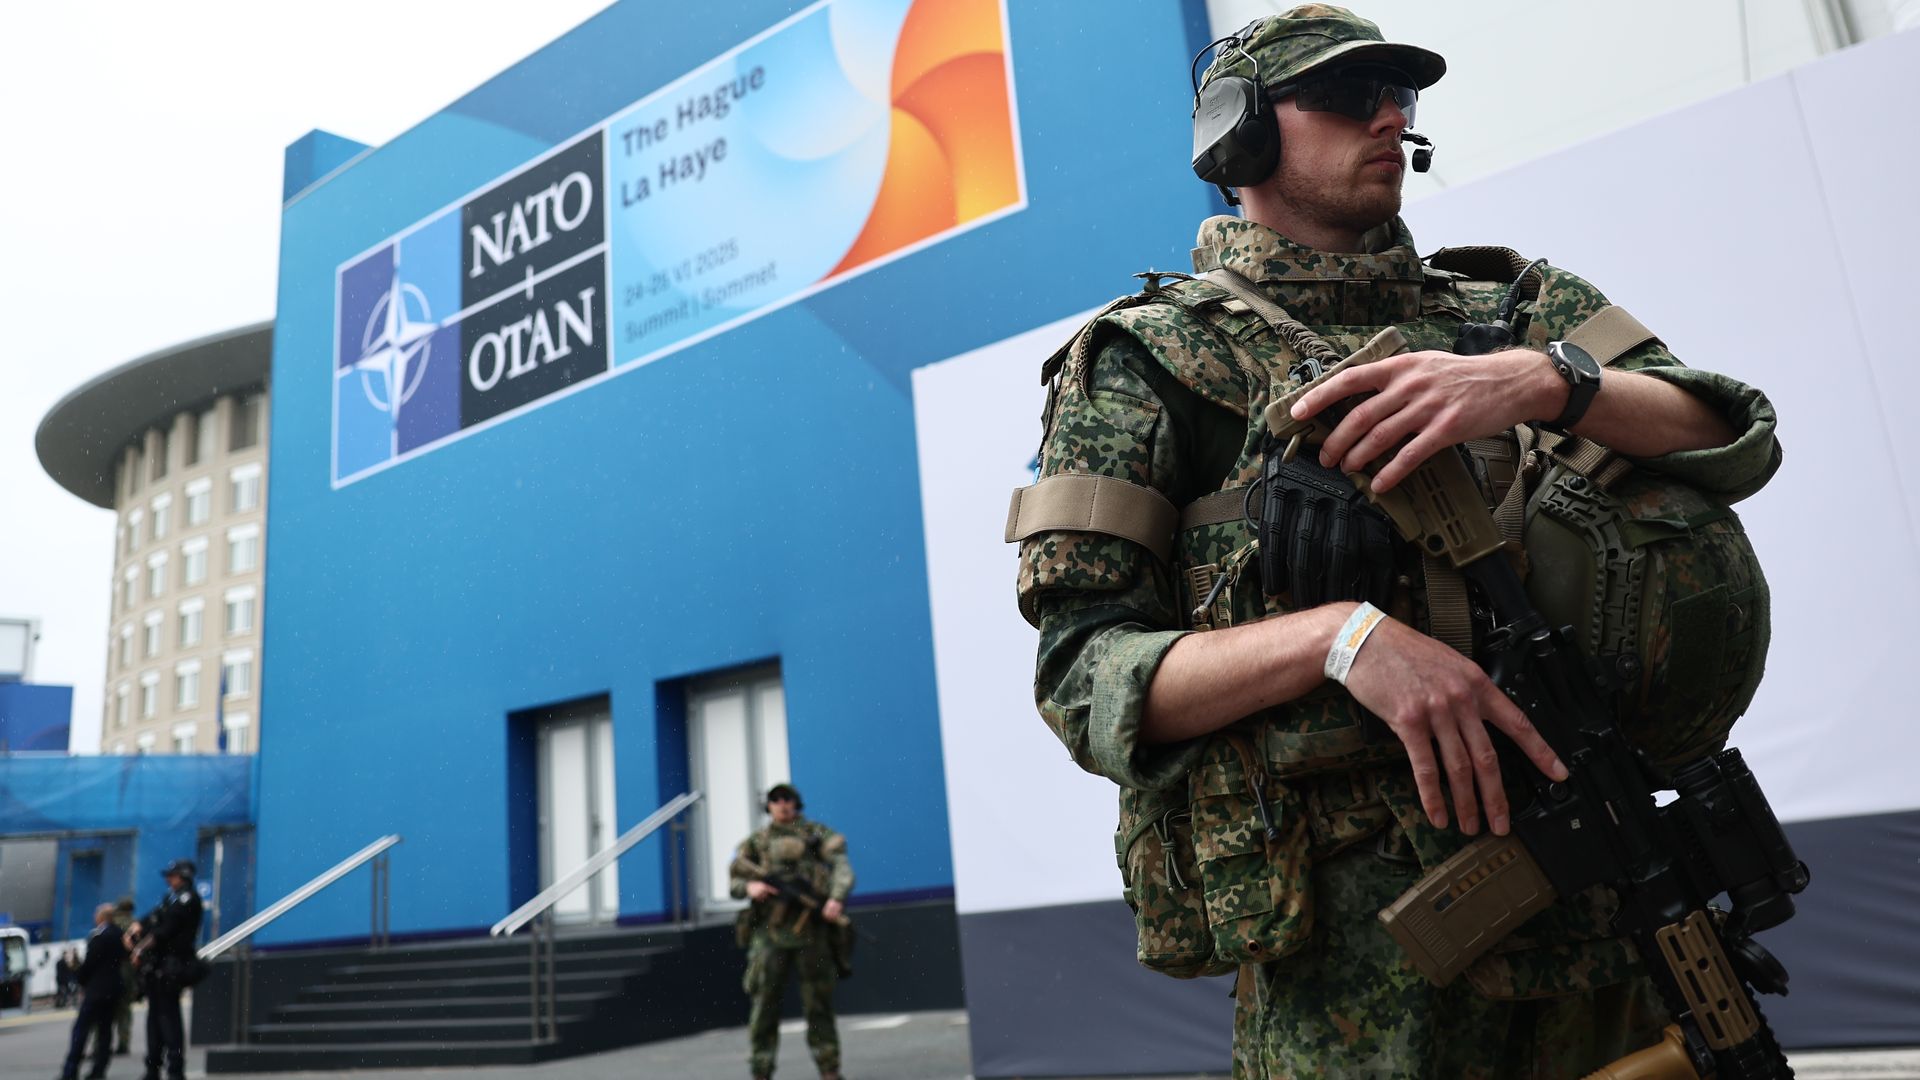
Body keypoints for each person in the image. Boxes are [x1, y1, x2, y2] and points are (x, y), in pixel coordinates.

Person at [1011, 6, 1781, 1076]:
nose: (1386, 117)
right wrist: (1344, 640)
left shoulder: (1516, 306)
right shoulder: (1152, 361)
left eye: (1399, 95)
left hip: (1606, 895)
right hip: (1364, 971)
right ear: (1238, 135)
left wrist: (1544, 379)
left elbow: (1731, 437)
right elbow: (1084, 676)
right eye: (1342, 94)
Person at [728, 784, 855, 1080]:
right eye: (776, 800)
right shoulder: (756, 843)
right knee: (764, 1005)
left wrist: (836, 897)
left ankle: (829, 1069)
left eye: (788, 800)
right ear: (768, 806)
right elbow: (734, 880)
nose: (783, 805)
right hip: (769, 935)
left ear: (797, 803)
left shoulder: (816, 835)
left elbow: (841, 866)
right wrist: (750, 887)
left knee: (818, 1003)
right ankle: (761, 1070)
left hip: (812, 931)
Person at [125, 860, 202, 1080]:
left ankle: (175, 1070)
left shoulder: (188, 899)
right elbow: (154, 917)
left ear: (184, 876)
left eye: (174, 875)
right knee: (155, 1020)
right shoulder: (171, 898)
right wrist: (139, 925)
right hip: (159, 967)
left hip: (172, 966)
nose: (169, 879)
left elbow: (166, 928)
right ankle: (153, 1067)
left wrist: (140, 948)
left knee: (169, 1021)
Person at [59, 904, 129, 1080]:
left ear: (101, 917)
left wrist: (79, 977)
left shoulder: (98, 936)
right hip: (113, 989)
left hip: (96, 989)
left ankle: (71, 1070)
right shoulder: (119, 935)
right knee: (105, 1032)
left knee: (81, 1030)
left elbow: (90, 964)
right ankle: (99, 1070)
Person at [108, 899, 136, 1056]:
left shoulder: (112, 923)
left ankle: (101, 1045)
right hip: (129, 971)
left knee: (106, 1010)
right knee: (125, 1010)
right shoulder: (134, 924)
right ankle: (123, 1043)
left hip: (112, 970)